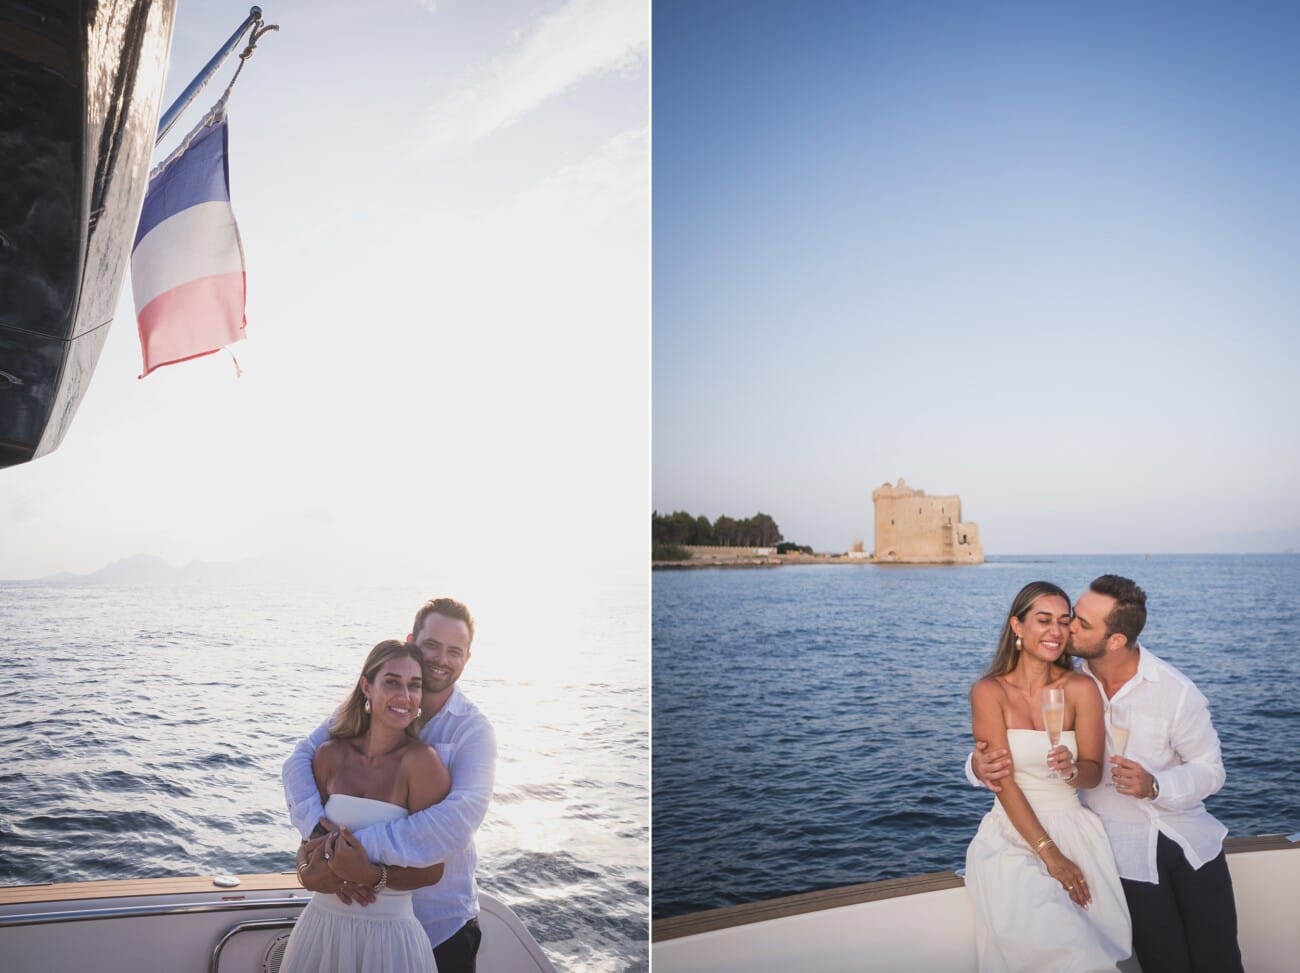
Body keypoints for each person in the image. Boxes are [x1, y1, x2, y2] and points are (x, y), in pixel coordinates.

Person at [970, 575, 1244, 973]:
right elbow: (1005, 755)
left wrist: (1156, 785)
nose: (1067, 629)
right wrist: (976, 767)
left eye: (1077, 622)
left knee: (1220, 963)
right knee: (1163, 965)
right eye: (1067, 618)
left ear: (1114, 640)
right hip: (1123, 851)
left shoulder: (1174, 691)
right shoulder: (1069, 680)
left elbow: (1211, 771)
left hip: (1189, 843)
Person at [284, 597, 497, 973]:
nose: (440, 659)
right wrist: (323, 849)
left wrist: (353, 857)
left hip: (439, 923)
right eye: (431, 645)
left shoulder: (472, 731)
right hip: (337, 923)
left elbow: (457, 821)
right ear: (412, 640)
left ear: (467, 658)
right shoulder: (355, 724)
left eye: (454, 651)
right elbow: (298, 762)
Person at [964, 580, 1132, 972]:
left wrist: (1073, 771)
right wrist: (1050, 855)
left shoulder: (1080, 688)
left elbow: (1093, 771)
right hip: (1013, 835)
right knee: (1064, 947)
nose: (1056, 631)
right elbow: (1002, 781)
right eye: (1043, 620)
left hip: (1074, 831)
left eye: (1063, 621)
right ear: (1017, 627)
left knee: (1090, 953)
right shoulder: (989, 692)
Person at [281, 639, 448, 972]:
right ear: (366, 687)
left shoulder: (422, 764)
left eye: (414, 686)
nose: (405, 696)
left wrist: (372, 876)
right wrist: (307, 876)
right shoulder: (329, 755)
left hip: (390, 940)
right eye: (392, 682)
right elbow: (307, 845)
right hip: (322, 931)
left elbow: (433, 869)